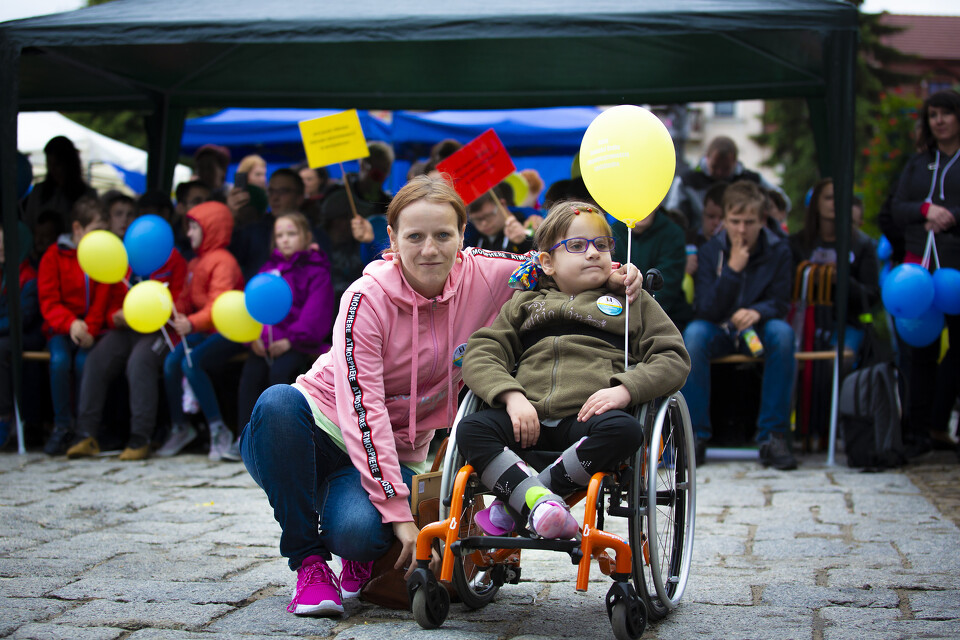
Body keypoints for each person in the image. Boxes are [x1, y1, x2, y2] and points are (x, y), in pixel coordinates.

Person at [238, 175, 640, 617]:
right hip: (315, 424)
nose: (429, 249)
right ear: (391, 238)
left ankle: (351, 543)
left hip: (397, 449)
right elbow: (362, 409)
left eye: (443, 235)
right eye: (414, 236)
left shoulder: (488, 274)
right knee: (277, 401)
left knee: (361, 535)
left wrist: (616, 272)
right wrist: (398, 515)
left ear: (462, 235)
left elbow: (555, 261)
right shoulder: (364, 298)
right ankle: (310, 563)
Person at [456, 201, 689, 539]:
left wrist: (625, 388)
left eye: (601, 245)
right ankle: (541, 503)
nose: (593, 253)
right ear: (548, 262)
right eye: (577, 246)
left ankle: (528, 500)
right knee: (469, 430)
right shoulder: (524, 303)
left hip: (586, 418)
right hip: (526, 417)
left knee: (625, 431)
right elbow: (483, 351)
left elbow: (673, 355)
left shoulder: (630, 300)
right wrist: (511, 396)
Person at [681, 181, 796, 470]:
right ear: (724, 219)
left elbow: (781, 302)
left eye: (749, 222)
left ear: (762, 220)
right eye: (735, 221)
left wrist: (757, 312)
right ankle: (694, 436)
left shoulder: (779, 250)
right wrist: (732, 269)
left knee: (783, 334)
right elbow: (705, 308)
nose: (741, 230)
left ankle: (773, 436)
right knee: (693, 335)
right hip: (719, 327)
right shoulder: (711, 251)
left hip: (759, 327)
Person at [66, 216, 188, 461]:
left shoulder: (175, 260)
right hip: (125, 329)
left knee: (139, 363)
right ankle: (85, 434)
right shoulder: (123, 261)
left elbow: (180, 301)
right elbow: (108, 304)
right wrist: (115, 316)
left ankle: (140, 438)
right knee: (96, 360)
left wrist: (151, 311)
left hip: (162, 331)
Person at [890, 89, 960, 457]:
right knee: (920, 354)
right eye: (933, 115)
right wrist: (924, 210)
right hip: (919, 272)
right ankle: (917, 432)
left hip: (956, 268)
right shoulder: (918, 164)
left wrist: (952, 215)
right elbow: (896, 207)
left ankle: (940, 422)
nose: (940, 121)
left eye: (946, 113)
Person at [157, 201, 245, 460]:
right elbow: (187, 298)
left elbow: (218, 305)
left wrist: (192, 322)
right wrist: (168, 305)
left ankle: (218, 429)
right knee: (171, 363)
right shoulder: (196, 263)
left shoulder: (224, 262)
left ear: (211, 229)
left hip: (230, 331)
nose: (189, 234)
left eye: (194, 228)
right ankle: (180, 426)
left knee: (191, 362)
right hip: (206, 329)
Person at [236, 213, 335, 435]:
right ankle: (246, 435)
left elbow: (315, 314)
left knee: (280, 376)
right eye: (280, 235)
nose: (285, 239)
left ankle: (281, 435)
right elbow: (256, 304)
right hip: (266, 343)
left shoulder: (317, 271)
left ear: (307, 236)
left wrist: (290, 341)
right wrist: (255, 338)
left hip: (298, 343)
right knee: (251, 375)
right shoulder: (268, 269)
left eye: (292, 234)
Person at [37, 197, 115, 455]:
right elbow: (49, 301)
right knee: (59, 362)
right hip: (60, 329)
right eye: (95, 231)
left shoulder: (104, 258)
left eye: (105, 231)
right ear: (77, 228)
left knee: (85, 364)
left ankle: (84, 430)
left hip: (91, 332)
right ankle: (62, 427)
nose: (101, 238)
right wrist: (70, 324)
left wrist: (89, 329)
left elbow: (101, 300)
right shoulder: (53, 256)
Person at [790, 178, 880, 356]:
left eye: (840, 197)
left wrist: (843, 280)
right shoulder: (796, 243)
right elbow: (783, 286)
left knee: (839, 361)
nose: (835, 203)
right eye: (829, 198)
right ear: (816, 202)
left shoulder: (862, 244)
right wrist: (810, 278)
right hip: (804, 322)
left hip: (846, 323)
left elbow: (871, 296)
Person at [665, 135, 785, 234]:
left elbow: (782, 202)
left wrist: (773, 217)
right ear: (707, 158)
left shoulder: (751, 180)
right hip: (699, 240)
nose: (719, 173)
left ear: (735, 162)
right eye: (715, 167)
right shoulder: (687, 181)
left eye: (725, 168)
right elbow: (673, 215)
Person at [0, 223, 44, 448]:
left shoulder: (28, 277)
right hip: (5, 334)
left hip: (26, 336)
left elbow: (22, 318)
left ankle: (5, 417)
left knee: (2, 349)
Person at [619, 207, 693, 331]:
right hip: (618, 316)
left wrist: (636, 318)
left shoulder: (673, 234)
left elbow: (666, 290)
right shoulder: (611, 233)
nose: (642, 206)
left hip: (667, 317)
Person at [21, 136, 98, 233]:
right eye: (49, 164)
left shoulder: (87, 194)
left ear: (68, 163)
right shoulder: (39, 191)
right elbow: (30, 224)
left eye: (57, 164)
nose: (52, 169)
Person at [463, 189, 532, 254]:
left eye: (489, 215)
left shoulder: (527, 223)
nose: (484, 223)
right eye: (476, 219)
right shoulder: (473, 237)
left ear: (502, 204)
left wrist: (523, 242)